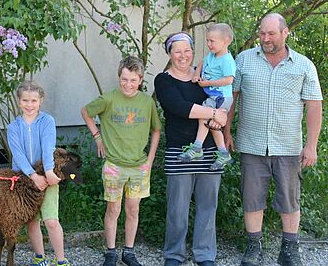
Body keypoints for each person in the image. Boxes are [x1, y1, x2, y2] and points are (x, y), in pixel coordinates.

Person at [224, 13, 323, 266]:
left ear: (285, 32)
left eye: (271, 34)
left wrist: (311, 145)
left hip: (288, 146)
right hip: (251, 143)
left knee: (289, 199)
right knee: (252, 197)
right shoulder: (244, 60)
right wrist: (226, 131)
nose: (265, 38)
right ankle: (253, 248)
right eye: (262, 33)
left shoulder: (303, 65)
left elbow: (314, 107)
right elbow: (231, 98)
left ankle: (289, 249)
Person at [154, 32, 228, 266]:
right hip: (179, 152)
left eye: (187, 51)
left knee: (208, 207)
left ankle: (204, 255)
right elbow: (180, 107)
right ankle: (174, 255)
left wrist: (219, 115)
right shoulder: (163, 80)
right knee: (177, 209)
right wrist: (215, 114)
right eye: (177, 51)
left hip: (209, 152)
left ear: (193, 52)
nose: (183, 56)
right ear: (169, 54)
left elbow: (220, 98)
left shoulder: (204, 77)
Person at [81, 56, 162, 266]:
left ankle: (129, 251)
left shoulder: (147, 102)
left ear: (141, 80)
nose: (128, 84)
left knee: (133, 210)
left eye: (133, 80)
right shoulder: (108, 99)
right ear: (119, 77)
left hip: (138, 167)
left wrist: (150, 160)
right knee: (113, 209)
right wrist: (97, 137)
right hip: (114, 166)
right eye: (124, 79)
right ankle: (110, 252)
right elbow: (86, 112)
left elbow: (156, 130)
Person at [7, 80, 70, 266]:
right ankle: (39, 257)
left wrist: (48, 172)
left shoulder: (47, 121)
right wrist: (32, 176)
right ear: (19, 102)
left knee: (51, 220)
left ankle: (60, 260)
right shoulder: (13, 127)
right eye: (25, 100)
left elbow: (47, 146)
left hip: (47, 176)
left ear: (40, 101)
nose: (29, 105)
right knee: (32, 221)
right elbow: (17, 153)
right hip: (24, 180)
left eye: (33, 101)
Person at [179, 23, 236, 171]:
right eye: (208, 40)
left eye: (212, 41)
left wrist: (207, 83)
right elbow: (201, 63)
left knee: (205, 117)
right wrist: (197, 74)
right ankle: (223, 153)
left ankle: (198, 147)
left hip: (221, 97)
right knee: (211, 124)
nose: (208, 44)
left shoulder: (227, 60)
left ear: (225, 42)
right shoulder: (211, 56)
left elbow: (229, 80)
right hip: (214, 96)